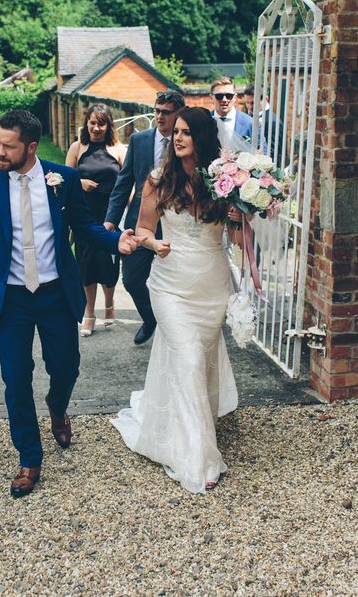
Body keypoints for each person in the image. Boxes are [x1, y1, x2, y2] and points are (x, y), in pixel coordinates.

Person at [0, 109, 137, 498]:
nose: (0, 152)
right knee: (15, 378)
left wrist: (116, 241)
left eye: (8, 145)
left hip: (56, 292)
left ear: (31, 146)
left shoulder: (63, 179)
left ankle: (57, 406)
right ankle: (29, 457)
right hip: (11, 298)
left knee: (66, 367)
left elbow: (85, 225)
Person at [111, 107, 242, 494]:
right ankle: (200, 458)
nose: (178, 138)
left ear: (201, 137)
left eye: (186, 132)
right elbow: (142, 230)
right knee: (186, 358)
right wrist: (154, 244)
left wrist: (239, 216)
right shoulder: (157, 180)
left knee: (198, 360)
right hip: (170, 287)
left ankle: (186, 421)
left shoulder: (224, 181)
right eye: (176, 132)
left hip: (212, 287)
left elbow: (234, 241)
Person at [104, 89, 185, 345]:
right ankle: (150, 319)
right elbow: (123, 182)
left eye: (166, 113)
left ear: (179, 114)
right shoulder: (139, 140)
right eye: (157, 111)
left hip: (176, 224)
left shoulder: (188, 141)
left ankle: (175, 330)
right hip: (139, 223)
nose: (160, 117)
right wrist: (110, 220)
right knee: (131, 279)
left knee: (177, 285)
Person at [65, 104, 126, 337]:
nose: (96, 128)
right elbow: (62, 178)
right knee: (86, 263)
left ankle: (109, 304)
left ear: (109, 125)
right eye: (92, 122)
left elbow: (127, 184)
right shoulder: (77, 147)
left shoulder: (119, 150)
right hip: (84, 214)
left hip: (110, 214)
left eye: (101, 123)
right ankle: (89, 314)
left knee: (107, 263)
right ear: (86, 123)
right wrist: (79, 183)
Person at [243, 85, 286, 168]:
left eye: (253, 103)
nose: (250, 107)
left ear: (266, 99)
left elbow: (273, 154)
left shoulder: (273, 122)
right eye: (247, 103)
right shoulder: (247, 117)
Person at [210, 76, 252, 150]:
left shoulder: (250, 123)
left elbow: (262, 154)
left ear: (235, 97)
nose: (224, 99)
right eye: (219, 96)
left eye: (229, 96)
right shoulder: (204, 120)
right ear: (211, 97)